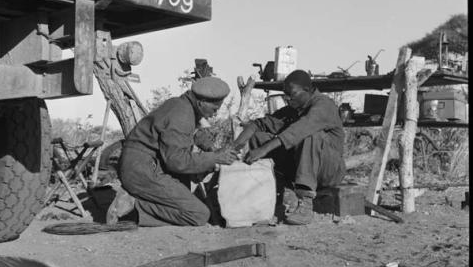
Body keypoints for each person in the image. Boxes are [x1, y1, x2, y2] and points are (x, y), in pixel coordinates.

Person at [106, 77, 238, 227]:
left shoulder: (183, 105)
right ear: (201, 103)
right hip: (142, 170)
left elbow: (194, 134)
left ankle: (139, 198)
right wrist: (214, 158)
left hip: (143, 165)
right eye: (215, 109)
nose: (215, 114)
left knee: (186, 197)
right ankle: (133, 207)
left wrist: (212, 150)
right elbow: (177, 161)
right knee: (198, 214)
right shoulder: (181, 114)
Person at [233, 69, 346, 225]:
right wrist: (234, 147)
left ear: (307, 90)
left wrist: (263, 150)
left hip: (329, 171)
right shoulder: (294, 109)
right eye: (285, 95)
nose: (287, 99)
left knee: (309, 135)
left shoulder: (323, 105)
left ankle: (305, 203)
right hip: (304, 168)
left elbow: (298, 130)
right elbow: (258, 124)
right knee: (259, 137)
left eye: (291, 94)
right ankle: (281, 190)